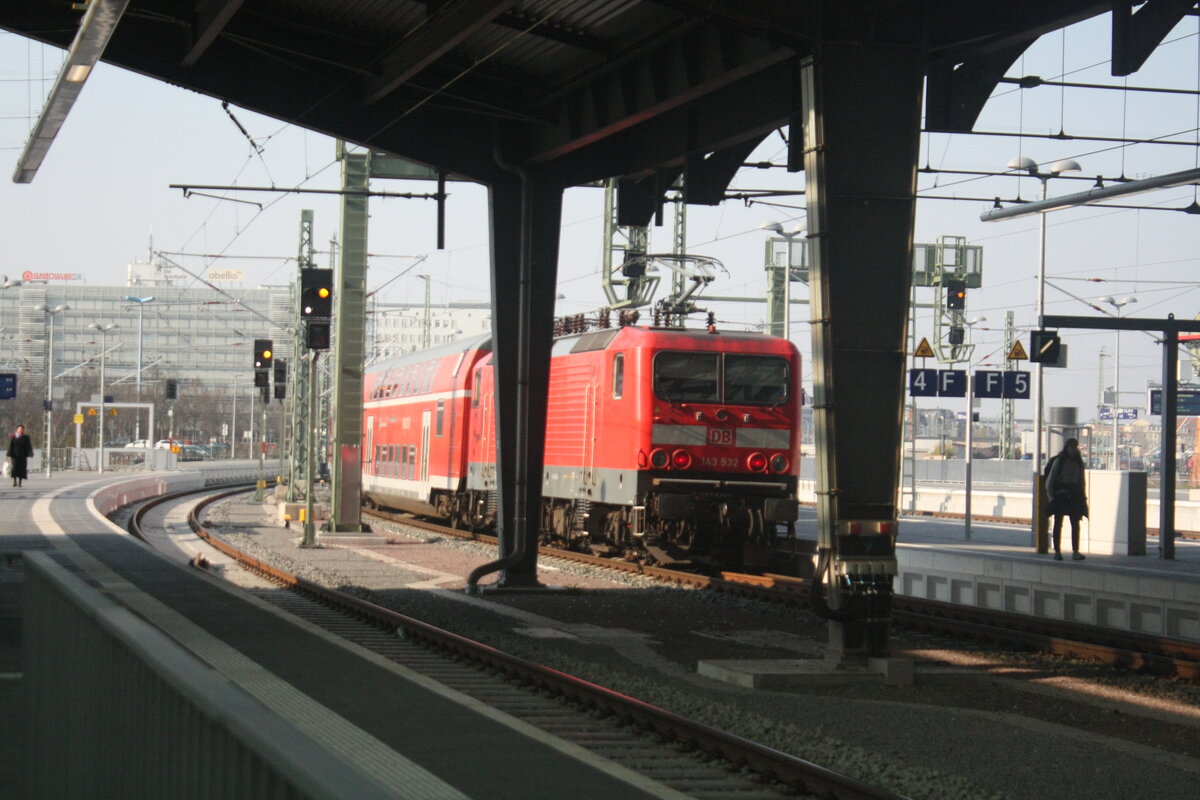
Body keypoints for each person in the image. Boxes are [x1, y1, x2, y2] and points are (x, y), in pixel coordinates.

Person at [1046, 438, 1088, 561]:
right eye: (1072, 447)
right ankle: (1057, 551)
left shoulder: (1079, 463)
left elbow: (1081, 481)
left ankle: (1075, 551)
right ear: (1067, 448)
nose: (1074, 450)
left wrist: (1082, 496)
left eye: (1075, 447)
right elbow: (1050, 480)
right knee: (1058, 523)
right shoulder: (1059, 461)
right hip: (1060, 495)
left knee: (1075, 523)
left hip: (1074, 494)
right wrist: (1051, 497)